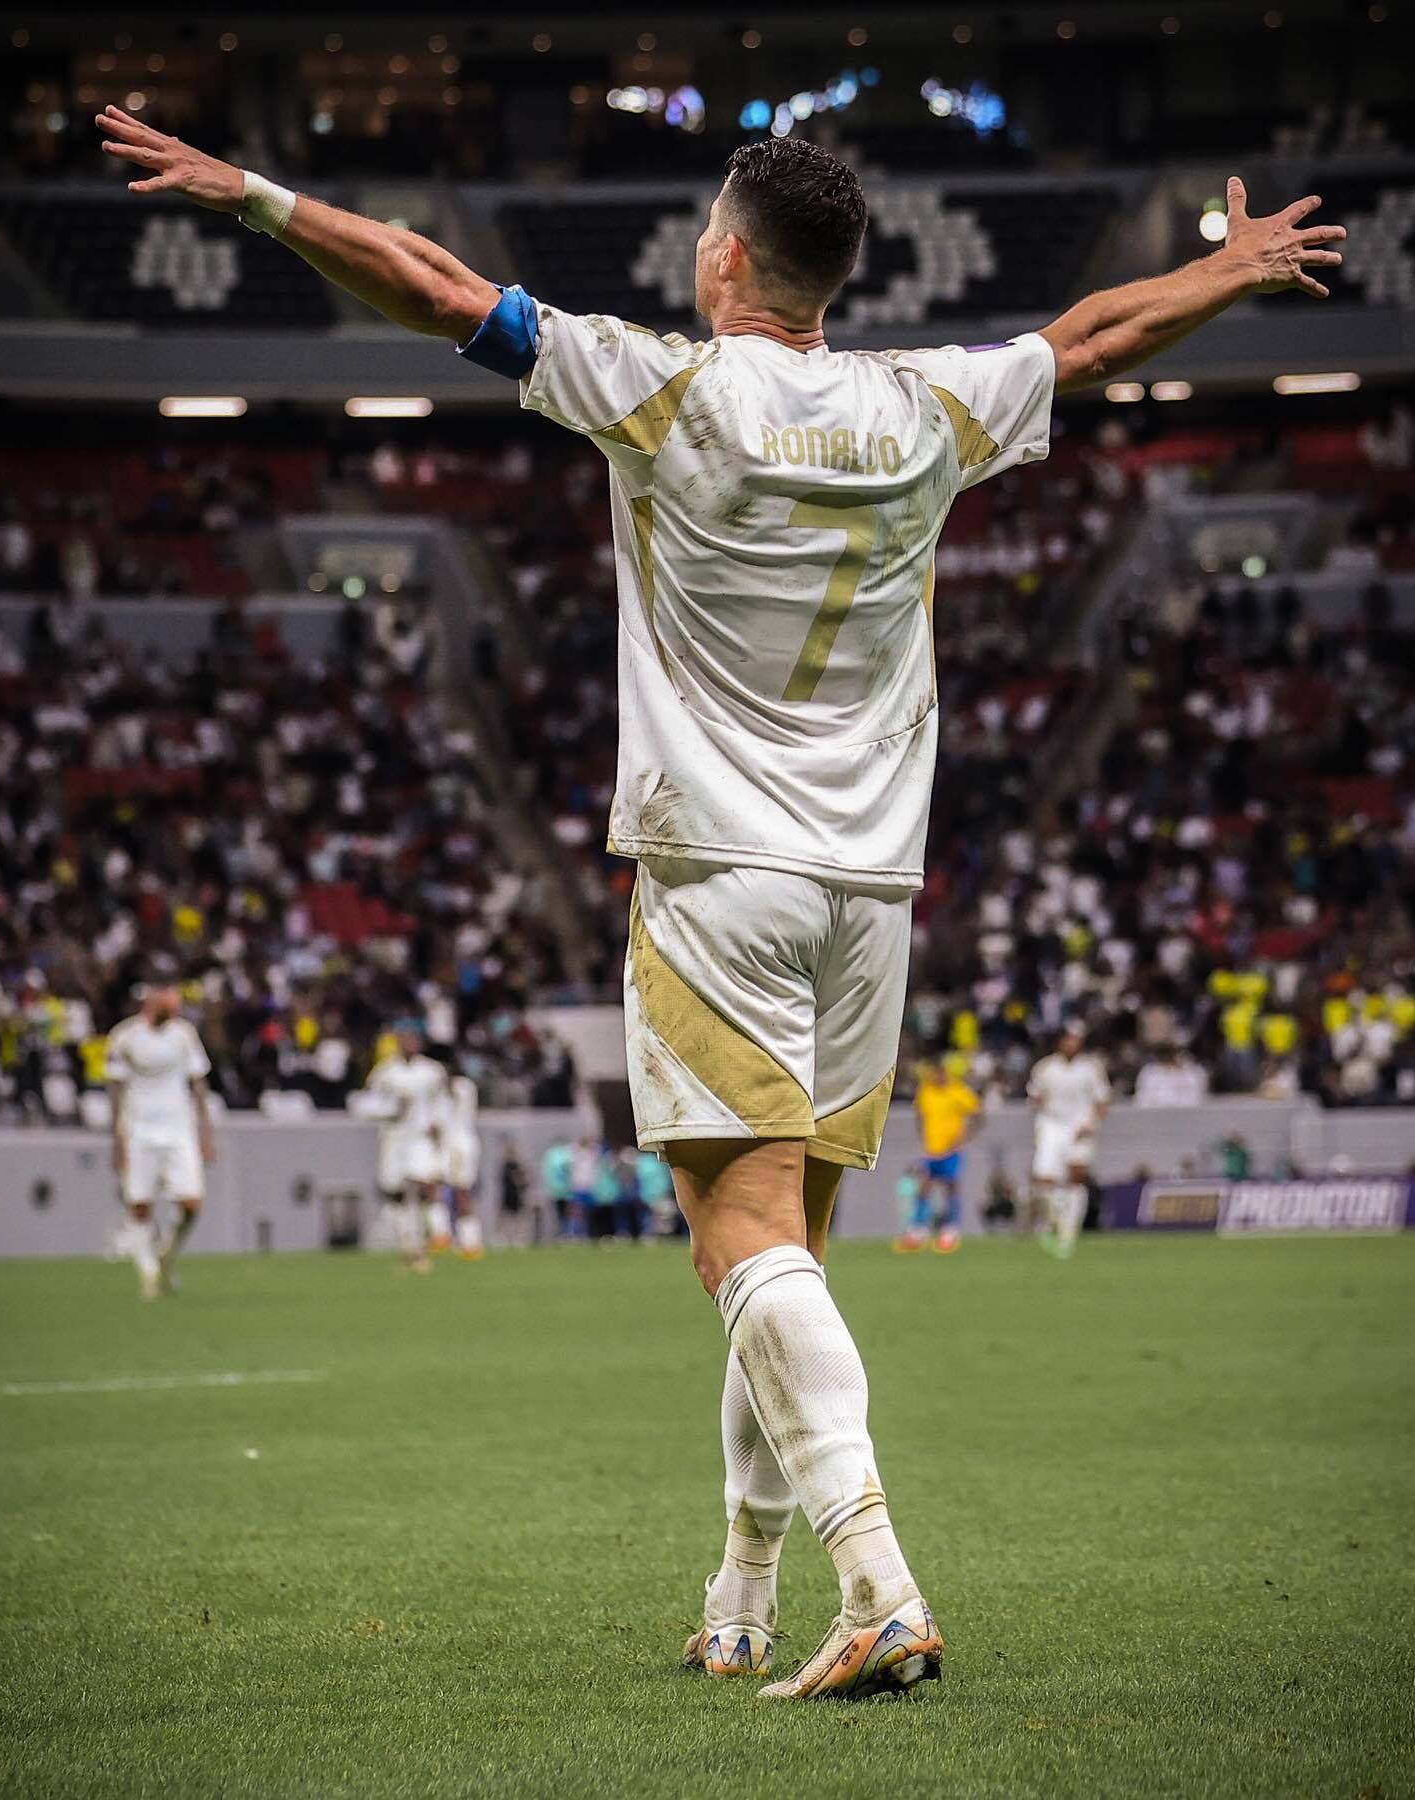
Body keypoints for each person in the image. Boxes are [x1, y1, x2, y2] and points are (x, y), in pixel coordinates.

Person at [99, 101, 1346, 1698]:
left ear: (730, 261)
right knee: (788, 1260)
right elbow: (1095, 337)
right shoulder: (924, 406)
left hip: (719, 874)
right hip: (870, 891)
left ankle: (878, 1582)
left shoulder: (663, 387)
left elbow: (433, 286)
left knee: (736, 1246)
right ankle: (746, 1588)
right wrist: (1233, 269)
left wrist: (256, 195)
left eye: (706, 227)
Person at [106, 978, 215, 1300]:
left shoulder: (184, 1035)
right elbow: (116, 1088)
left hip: (179, 1129)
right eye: (169, 996)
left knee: (191, 1203)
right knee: (140, 1205)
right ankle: (149, 1273)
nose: (175, 1003)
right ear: (151, 999)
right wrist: (116, 1140)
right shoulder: (125, 1037)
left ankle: (166, 1253)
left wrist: (206, 1132)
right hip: (139, 1130)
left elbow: (198, 1083)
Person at [364, 1021, 447, 1272]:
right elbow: (367, 1105)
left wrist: (438, 1124)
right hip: (394, 1138)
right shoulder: (385, 1072)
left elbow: (442, 1102)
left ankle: (431, 1239)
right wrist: (393, 1108)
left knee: (423, 1185)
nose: (409, 1043)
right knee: (396, 1192)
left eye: (413, 1038)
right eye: (405, 1038)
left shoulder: (432, 1071)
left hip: (420, 1138)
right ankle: (408, 1246)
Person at [1027, 1026, 1111, 1260]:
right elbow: (1034, 1096)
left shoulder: (1091, 1068)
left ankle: (1069, 1230)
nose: (1072, 1044)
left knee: (1076, 1176)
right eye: (1068, 1040)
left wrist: (1091, 1124)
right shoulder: (1045, 1068)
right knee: (1044, 1181)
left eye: (1076, 1040)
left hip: (1079, 1127)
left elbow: (1103, 1100)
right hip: (1052, 1127)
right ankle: (1054, 1219)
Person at [909, 1058, 982, 1253]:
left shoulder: (958, 1091)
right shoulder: (926, 1091)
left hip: (951, 1149)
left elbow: (978, 1115)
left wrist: (963, 1138)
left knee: (951, 1187)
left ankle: (951, 1229)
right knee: (924, 1187)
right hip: (931, 1149)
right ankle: (919, 1230)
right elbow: (920, 1115)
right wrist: (922, 1137)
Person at [439, 1064, 484, 1260]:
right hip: (446, 1146)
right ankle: (443, 1235)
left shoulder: (464, 1086)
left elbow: (454, 1093)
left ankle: (471, 1242)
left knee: (462, 1193)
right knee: (437, 1191)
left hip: (461, 1147)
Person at [497, 1140, 530, 1247]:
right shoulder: (505, 1166)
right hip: (507, 1195)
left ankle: (519, 1238)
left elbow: (523, 1181)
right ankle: (502, 1237)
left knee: (518, 1218)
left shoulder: (516, 1166)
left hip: (516, 1196)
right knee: (504, 1217)